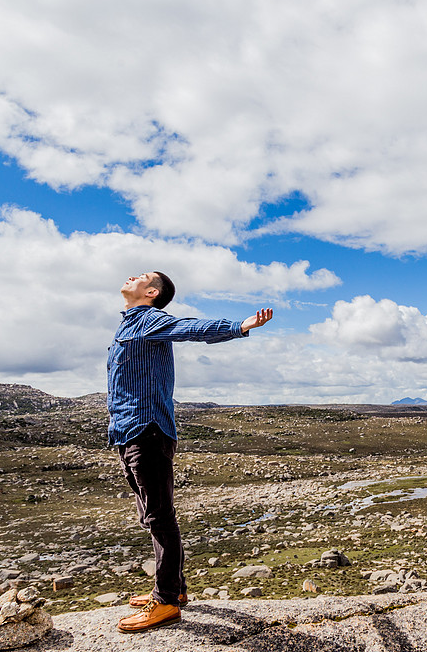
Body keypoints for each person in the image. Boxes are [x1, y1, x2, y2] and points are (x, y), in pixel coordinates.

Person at [108, 271, 272, 633]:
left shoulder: (148, 319)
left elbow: (190, 328)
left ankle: (166, 600)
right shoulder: (131, 324)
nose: (133, 275)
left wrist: (239, 326)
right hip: (129, 431)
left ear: (151, 293)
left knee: (159, 517)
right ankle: (174, 590)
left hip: (145, 430)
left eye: (145, 276)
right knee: (151, 515)